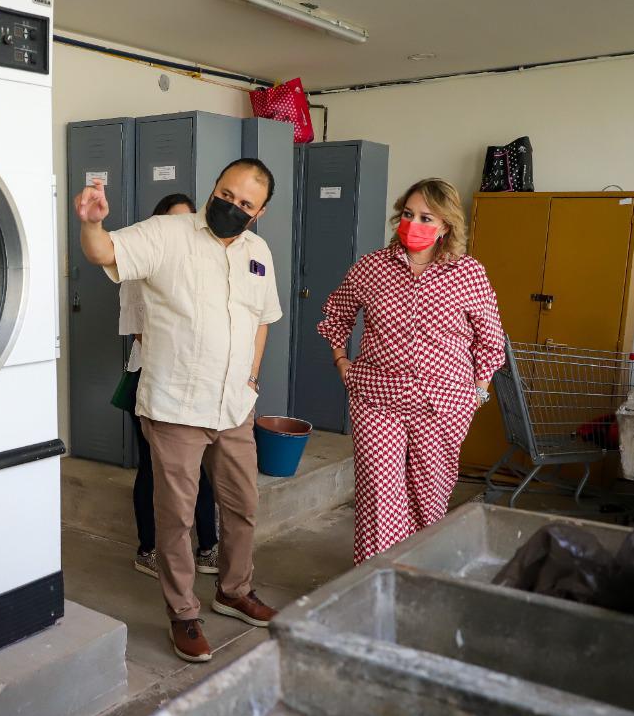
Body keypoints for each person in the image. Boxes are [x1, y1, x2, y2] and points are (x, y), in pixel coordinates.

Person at [75, 160, 282, 664]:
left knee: (243, 506)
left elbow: (262, 318)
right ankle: (183, 612)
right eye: (227, 194)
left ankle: (233, 590)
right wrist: (92, 223)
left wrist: (252, 377)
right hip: (175, 406)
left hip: (234, 406)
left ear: (259, 213)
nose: (232, 207)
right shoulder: (168, 233)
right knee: (176, 517)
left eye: (245, 204)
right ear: (215, 187)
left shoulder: (258, 253)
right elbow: (104, 251)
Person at [317, 178, 505, 564]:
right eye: (407, 214)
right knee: (379, 497)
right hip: (377, 398)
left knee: (428, 499)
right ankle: (377, 579)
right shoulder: (373, 267)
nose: (413, 223)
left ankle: (416, 575)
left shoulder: (468, 273)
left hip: (442, 405)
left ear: (445, 225)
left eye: (425, 217)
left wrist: (477, 392)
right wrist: (342, 363)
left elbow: (491, 340)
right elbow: (336, 313)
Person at [119, 193, 219, 580]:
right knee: (152, 469)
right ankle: (148, 548)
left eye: (189, 219)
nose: (185, 227)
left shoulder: (199, 261)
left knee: (200, 466)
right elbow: (142, 333)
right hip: (152, 377)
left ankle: (208, 546)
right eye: (175, 220)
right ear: (159, 223)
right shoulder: (140, 264)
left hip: (195, 378)